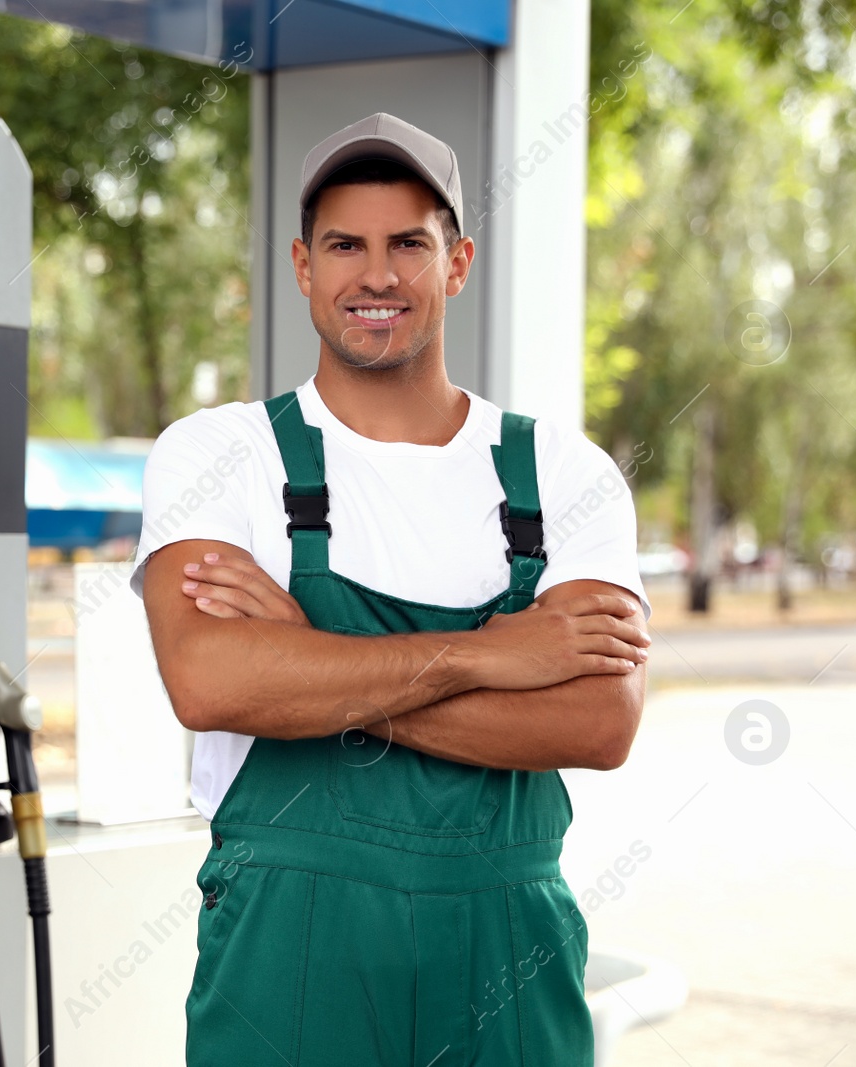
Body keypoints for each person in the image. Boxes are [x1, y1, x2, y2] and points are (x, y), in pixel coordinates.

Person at [128, 113, 653, 1066]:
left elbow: (598, 720)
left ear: (457, 263)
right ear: (301, 265)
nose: (377, 275)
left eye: (409, 242)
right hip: (289, 950)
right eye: (345, 244)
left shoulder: (563, 473)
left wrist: (308, 668)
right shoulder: (219, 455)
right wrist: (491, 656)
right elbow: (210, 682)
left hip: (510, 948)